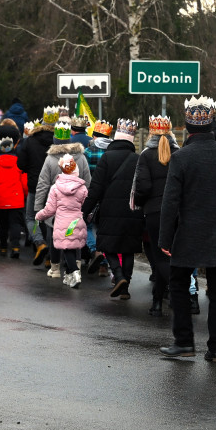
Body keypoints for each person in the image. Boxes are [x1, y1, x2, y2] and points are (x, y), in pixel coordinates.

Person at [158, 96, 216, 362]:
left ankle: (184, 342)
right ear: (211, 125)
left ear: (188, 127)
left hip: (188, 233)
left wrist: (165, 238)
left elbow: (170, 202)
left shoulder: (180, 158)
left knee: (180, 286)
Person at [81, 119, 143, 300]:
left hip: (109, 209)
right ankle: (125, 287)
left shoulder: (107, 158)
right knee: (129, 249)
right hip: (134, 210)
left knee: (107, 245)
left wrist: (85, 210)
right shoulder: (138, 159)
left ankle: (119, 275)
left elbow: (96, 188)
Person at [133, 116, 178, 317]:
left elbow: (142, 187)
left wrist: (142, 204)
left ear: (151, 133)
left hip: (153, 211)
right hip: (176, 211)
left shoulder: (145, 155)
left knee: (159, 256)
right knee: (172, 255)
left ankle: (173, 296)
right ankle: (157, 300)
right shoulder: (179, 154)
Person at [35, 121, 91, 278]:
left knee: (55, 235)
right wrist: (88, 205)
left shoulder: (50, 159)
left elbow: (43, 184)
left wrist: (38, 207)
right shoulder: (80, 157)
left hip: (55, 205)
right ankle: (75, 267)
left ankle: (55, 268)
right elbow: (88, 181)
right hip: (77, 206)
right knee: (75, 234)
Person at [18, 108, 58, 266]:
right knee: (50, 221)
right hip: (55, 185)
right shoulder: (59, 140)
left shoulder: (30, 140)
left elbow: (20, 164)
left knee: (31, 217)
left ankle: (40, 243)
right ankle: (50, 257)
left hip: (35, 185)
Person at [0, 136, 28, 257]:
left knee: (2, 224)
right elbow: (24, 183)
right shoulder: (19, 164)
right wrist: (25, 195)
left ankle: (3, 247)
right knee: (15, 224)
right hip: (16, 199)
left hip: (0, 199)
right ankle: (15, 247)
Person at [83, 120, 113, 276]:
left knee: (87, 226)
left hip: (92, 194)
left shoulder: (88, 152)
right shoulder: (112, 152)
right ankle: (104, 266)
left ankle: (95, 250)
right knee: (103, 229)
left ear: (94, 135)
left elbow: (83, 173)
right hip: (109, 196)